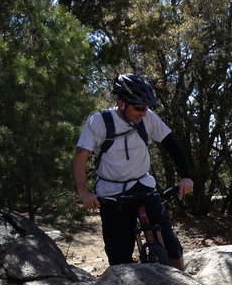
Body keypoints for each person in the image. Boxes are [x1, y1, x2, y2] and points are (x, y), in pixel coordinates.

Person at [72, 73, 194, 270]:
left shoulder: (148, 119)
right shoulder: (99, 122)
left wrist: (186, 176)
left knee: (172, 246)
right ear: (121, 103)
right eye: (139, 108)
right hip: (112, 191)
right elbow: (80, 156)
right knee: (119, 258)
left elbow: (172, 145)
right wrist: (84, 192)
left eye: (146, 108)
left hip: (143, 184)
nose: (144, 113)